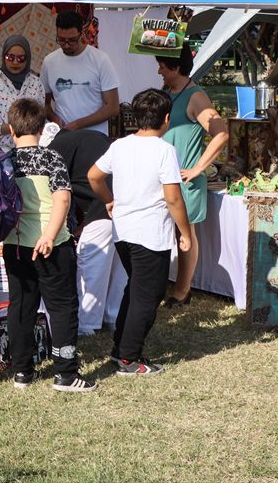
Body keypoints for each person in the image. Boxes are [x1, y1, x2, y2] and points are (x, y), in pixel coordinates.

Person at [89, 89, 192, 376]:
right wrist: (185, 232)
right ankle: (128, 358)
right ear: (167, 119)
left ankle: (120, 348)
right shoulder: (165, 150)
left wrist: (108, 199)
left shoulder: (120, 145)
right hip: (151, 233)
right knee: (148, 296)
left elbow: (93, 176)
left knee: (136, 289)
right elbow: (173, 197)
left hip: (123, 232)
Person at [4, 99, 97, 393]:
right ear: (43, 128)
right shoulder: (51, 158)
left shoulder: (5, 161)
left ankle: (21, 370)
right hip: (52, 243)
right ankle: (66, 373)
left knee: (21, 305)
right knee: (62, 306)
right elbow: (63, 199)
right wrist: (49, 234)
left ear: (11, 130)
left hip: (15, 243)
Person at [157, 43, 229, 307]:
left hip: (184, 177)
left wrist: (199, 167)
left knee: (185, 234)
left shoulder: (196, 96)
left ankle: (182, 290)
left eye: (163, 66)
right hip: (164, 175)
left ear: (176, 66)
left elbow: (220, 132)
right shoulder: (167, 91)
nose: (159, 70)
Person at [45, 128, 116, 335]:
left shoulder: (55, 150)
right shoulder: (88, 138)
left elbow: (58, 196)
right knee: (117, 266)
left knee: (91, 263)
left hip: (104, 206)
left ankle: (86, 323)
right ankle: (113, 315)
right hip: (125, 202)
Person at [41, 11, 120, 135]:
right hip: (64, 137)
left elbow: (113, 107)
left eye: (72, 40)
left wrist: (78, 124)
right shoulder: (49, 62)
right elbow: (44, 103)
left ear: (81, 34)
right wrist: (55, 120)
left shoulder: (100, 60)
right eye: (61, 40)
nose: (66, 45)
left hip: (95, 138)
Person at [0, 35, 46, 152]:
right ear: (4, 57)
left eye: (20, 58)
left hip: (31, 151)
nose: (15, 62)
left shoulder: (36, 83)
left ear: (27, 58)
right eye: (10, 57)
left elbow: (41, 119)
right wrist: (8, 128)